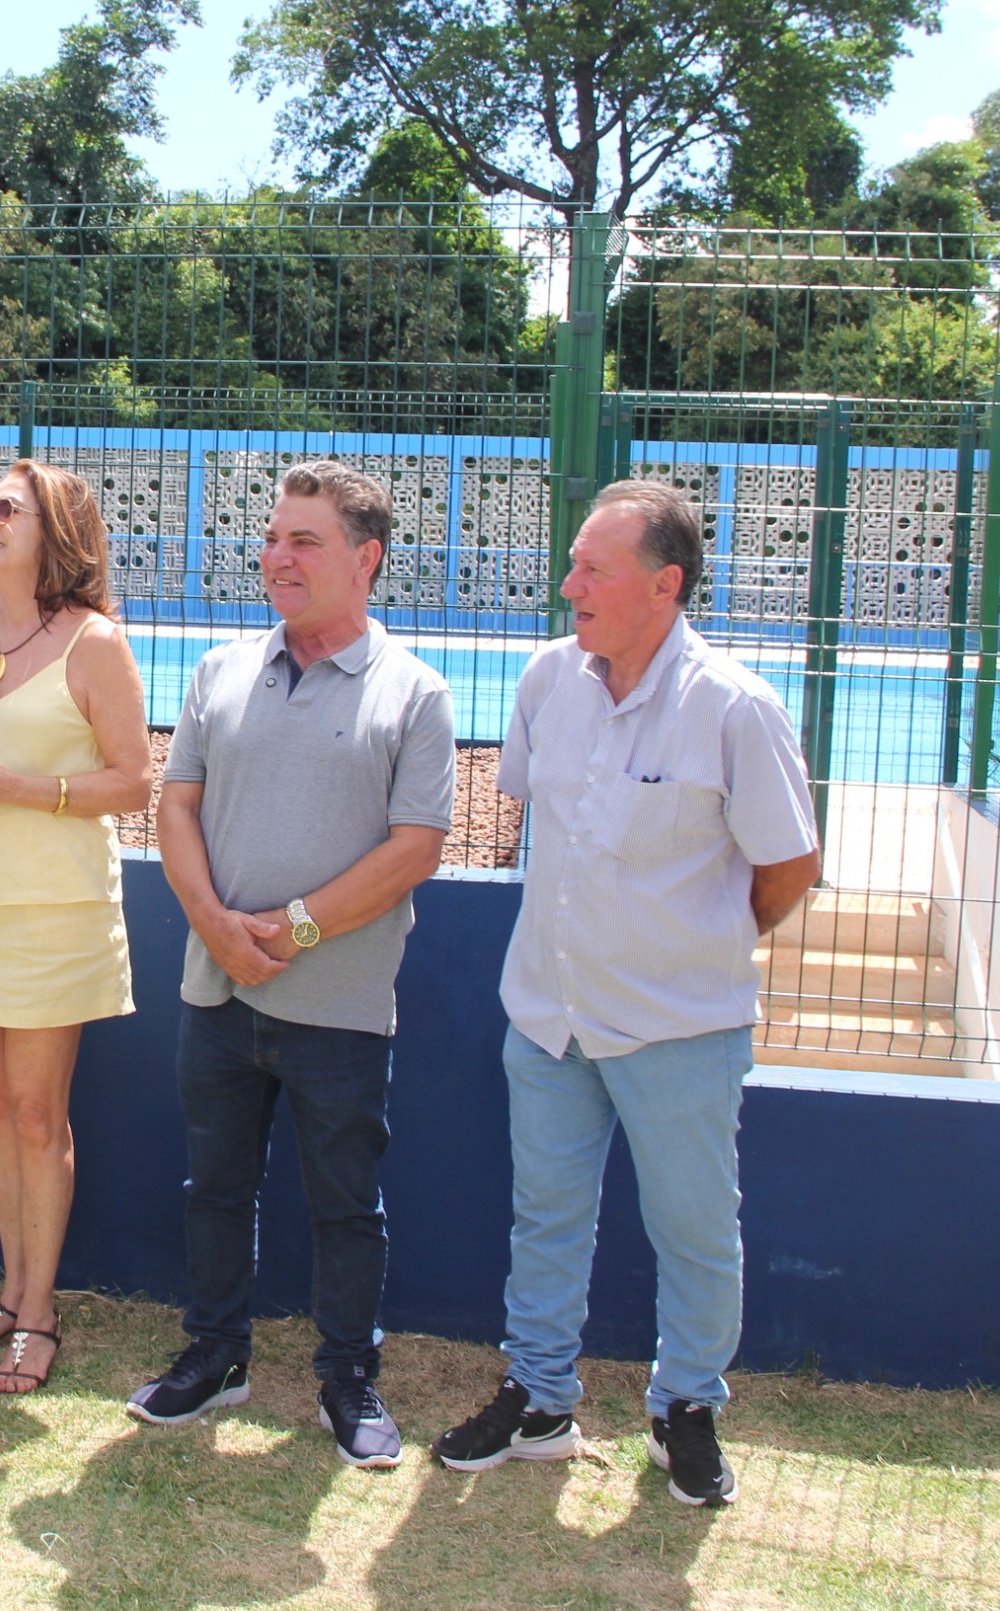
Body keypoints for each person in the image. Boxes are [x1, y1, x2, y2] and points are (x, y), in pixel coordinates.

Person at [431, 480, 819, 1508]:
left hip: (679, 1025)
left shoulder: (734, 707)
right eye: (573, 563)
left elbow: (786, 867)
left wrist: (696, 944)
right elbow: (533, 821)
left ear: (665, 583)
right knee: (544, 1217)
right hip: (548, 1018)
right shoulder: (547, 679)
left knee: (694, 1225)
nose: (569, 586)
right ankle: (542, 1396)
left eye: (592, 569)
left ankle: (685, 1406)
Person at [127, 461, 456, 1470]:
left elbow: (417, 845)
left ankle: (347, 1377)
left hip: (341, 1008)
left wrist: (293, 930)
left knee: (345, 1205)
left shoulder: (415, 692)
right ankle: (215, 1352)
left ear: (367, 560)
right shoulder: (223, 668)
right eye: (273, 537)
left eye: (303, 541)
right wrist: (218, 928)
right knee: (214, 1186)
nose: (277, 555)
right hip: (217, 988)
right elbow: (173, 802)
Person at [0, 458, 152, 1396]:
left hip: (53, 908)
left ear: (56, 530)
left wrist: (28, 791)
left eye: (8, 508)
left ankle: (40, 1312)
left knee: (35, 1110)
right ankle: (11, 1299)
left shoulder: (96, 644)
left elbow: (137, 781)